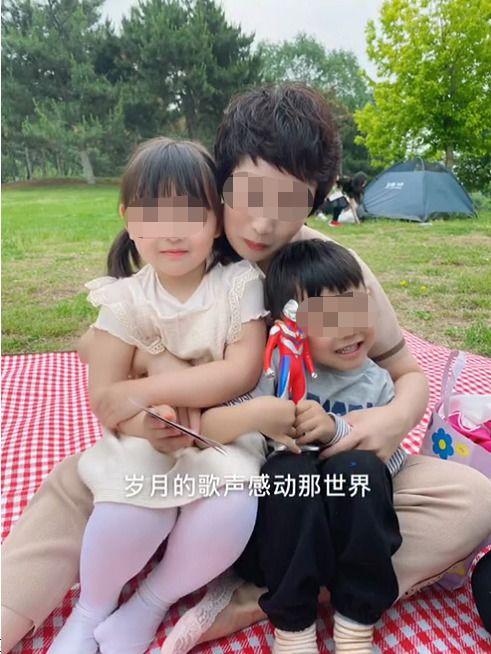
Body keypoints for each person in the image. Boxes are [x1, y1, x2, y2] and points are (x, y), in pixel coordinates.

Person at [3, 84, 491, 653]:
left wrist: (393, 419)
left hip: (306, 470)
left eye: (289, 203)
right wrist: (156, 372)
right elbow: (100, 343)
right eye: (249, 195)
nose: (262, 224)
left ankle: (264, 598)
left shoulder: (327, 268)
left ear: (315, 202)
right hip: (192, 457)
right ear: (220, 182)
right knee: (79, 484)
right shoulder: (185, 249)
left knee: (469, 500)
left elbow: (404, 368)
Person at [46, 136, 269, 654]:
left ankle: (149, 602)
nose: (172, 232)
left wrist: (146, 386)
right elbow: (107, 398)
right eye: (153, 214)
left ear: (217, 221)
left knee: (232, 504)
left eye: (191, 214)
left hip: (225, 434)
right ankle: (91, 608)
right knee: (131, 502)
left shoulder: (239, 284)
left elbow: (240, 372)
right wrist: (142, 422)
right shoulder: (123, 299)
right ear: (128, 219)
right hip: (145, 439)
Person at [193, 239, 406, 654]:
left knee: (361, 468)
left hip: (348, 535)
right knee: (286, 471)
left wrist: (337, 433)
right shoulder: (275, 372)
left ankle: (355, 627)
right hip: (282, 540)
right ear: (287, 326)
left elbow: (391, 462)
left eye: (356, 308)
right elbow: (210, 426)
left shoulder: (377, 383)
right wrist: (260, 415)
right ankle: (294, 631)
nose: (348, 328)